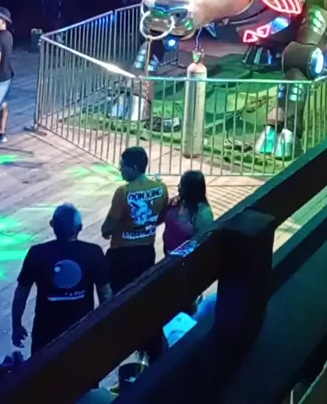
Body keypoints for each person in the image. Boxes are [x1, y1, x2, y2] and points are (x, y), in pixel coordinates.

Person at [12, 204, 110, 355]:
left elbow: (21, 292)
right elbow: (105, 293)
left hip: (45, 333)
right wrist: (106, 326)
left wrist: (16, 324)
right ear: (80, 227)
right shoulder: (93, 252)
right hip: (82, 332)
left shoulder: (37, 253)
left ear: (52, 225)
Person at [101, 147, 168, 362]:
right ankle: (148, 343)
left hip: (121, 254)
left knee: (118, 298)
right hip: (146, 250)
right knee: (142, 295)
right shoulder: (161, 188)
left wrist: (110, 230)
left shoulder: (123, 192)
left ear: (135, 168)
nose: (120, 169)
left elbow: (108, 228)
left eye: (123, 166)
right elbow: (161, 217)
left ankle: (121, 336)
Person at [162, 170, 213, 256]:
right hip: (168, 253)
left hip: (185, 258)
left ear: (190, 189)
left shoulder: (203, 213)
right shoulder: (175, 201)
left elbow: (204, 241)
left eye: (182, 185)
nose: (178, 186)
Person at [0, 6, 13, 144]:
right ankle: (0, 131)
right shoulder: (8, 35)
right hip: (7, 75)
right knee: (4, 104)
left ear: (3, 21)